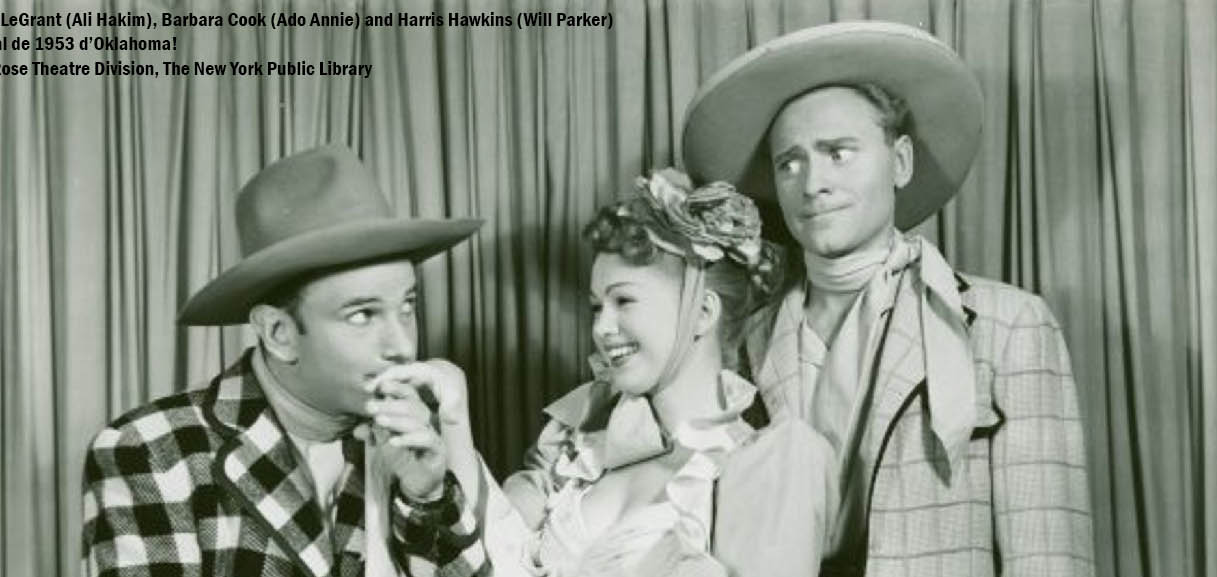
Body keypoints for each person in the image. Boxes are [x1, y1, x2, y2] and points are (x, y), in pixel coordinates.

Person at [680, 21, 1095, 575]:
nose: (812, 183)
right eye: (789, 163)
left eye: (838, 153)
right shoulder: (742, 344)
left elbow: (1047, 555)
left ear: (900, 162)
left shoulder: (1008, 326)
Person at [385, 169, 834, 577]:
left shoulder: (758, 468)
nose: (601, 328)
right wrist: (454, 419)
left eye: (624, 301)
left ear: (702, 312)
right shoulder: (580, 453)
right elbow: (489, 561)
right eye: (597, 307)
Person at [81, 145, 491, 577]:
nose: (403, 346)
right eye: (362, 315)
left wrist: (427, 499)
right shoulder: (151, 450)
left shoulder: (414, 439)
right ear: (279, 334)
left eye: (407, 307)